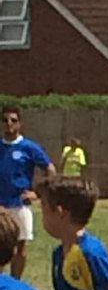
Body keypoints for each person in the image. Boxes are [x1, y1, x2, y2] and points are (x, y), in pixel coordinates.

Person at [0, 105, 54, 279]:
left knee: (20, 246)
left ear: (20, 123)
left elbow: (50, 169)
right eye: (5, 120)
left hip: (20, 204)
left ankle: (16, 281)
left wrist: (39, 193)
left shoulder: (29, 147)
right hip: (1, 205)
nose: (9, 124)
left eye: (13, 120)